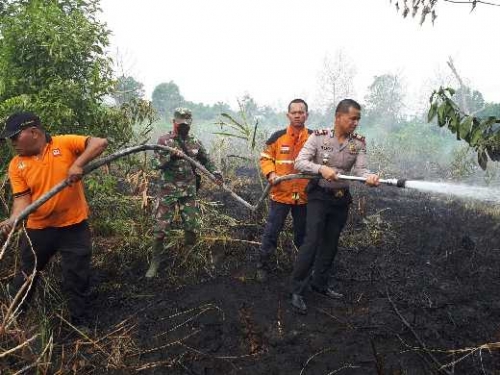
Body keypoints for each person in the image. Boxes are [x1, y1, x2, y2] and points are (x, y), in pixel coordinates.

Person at [0, 111, 108, 326]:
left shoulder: (64, 143)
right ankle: (11, 322)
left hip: (74, 227)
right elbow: (22, 200)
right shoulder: (17, 164)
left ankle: (81, 324)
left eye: (15, 137)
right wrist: (13, 219)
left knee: (77, 277)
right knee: (26, 275)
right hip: (39, 229)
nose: (12, 142)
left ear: (33, 132)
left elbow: (99, 142)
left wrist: (78, 164)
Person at [289, 99, 380, 314]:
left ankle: (319, 284)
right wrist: (321, 169)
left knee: (331, 243)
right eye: (352, 118)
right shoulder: (319, 137)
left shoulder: (358, 143)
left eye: (358, 119)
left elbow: (361, 171)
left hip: (340, 199)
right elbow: (299, 162)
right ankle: (297, 290)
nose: (356, 123)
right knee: (311, 242)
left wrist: (370, 177)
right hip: (319, 196)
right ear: (338, 117)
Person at [145, 108, 222, 278]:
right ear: (174, 122)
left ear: (191, 123)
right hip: (168, 191)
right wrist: (170, 157)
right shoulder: (164, 141)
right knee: (160, 229)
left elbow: (206, 160)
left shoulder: (195, 142)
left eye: (187, 124)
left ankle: (188, 256)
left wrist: (216, 173)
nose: (184, 127)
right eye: (181, 124)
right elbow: (154, 164)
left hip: (188, 191)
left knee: (191, 227)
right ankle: (155, 262)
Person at [257, 99, 312, 281]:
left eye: (301, 112)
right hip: (280, 194)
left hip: (302, 196)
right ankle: (262, 266)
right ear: (288, 115)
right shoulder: (277, 137)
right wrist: (271, 173)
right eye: (294, 112)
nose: (297, 115)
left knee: (302, 235)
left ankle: (303, 269)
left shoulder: (314, 138)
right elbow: (265, 158)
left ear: (307, 115)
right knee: (272, 231)